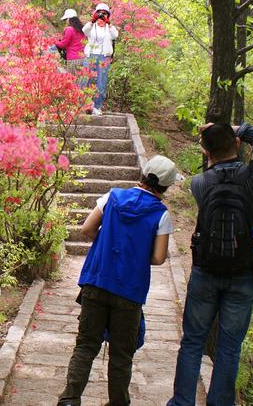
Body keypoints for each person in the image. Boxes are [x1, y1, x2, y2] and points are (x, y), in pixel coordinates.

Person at [59, 155, 181, 406]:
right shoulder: (160, 214)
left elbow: (87, 229)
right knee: (121, 354)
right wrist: (134, 255)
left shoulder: (111, 197)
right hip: (129, 291)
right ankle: (117, 403)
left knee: (86, 345)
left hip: (96, 281)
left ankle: (70, 400)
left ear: (143, 174)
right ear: (165, 186)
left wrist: (107, 244)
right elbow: (158, 258)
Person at [167, 122, 253, 406]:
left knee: (192, 342)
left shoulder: (199, 184)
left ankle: (181, 402)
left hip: (206, 271)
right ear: (237, 144)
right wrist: (243, 129)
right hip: (243, 273)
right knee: (229, 348)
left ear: (205, 150)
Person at [82, 3, 119, 116]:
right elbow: (84, 31)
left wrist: (109, 23)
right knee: (85, 80)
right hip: (90, 55)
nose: (101, 16)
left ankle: (97, 107)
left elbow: (115, 35)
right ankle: (84, 105)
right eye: (99, 13)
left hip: (104, 57)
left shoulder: (109, 28)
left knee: (101, 82)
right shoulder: (92, 26)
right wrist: (92, 21)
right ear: (95, 14)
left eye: (104, 13)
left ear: (108, 15)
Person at [54, 9, 87, 75]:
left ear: (69, 19)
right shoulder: (82, 29)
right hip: (83, 59)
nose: (65, 21)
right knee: (80, 82)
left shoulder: (69, 29)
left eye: (65, 19)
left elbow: (63, 45)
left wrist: (54, 41)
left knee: (73, 81)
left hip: (73, 59)